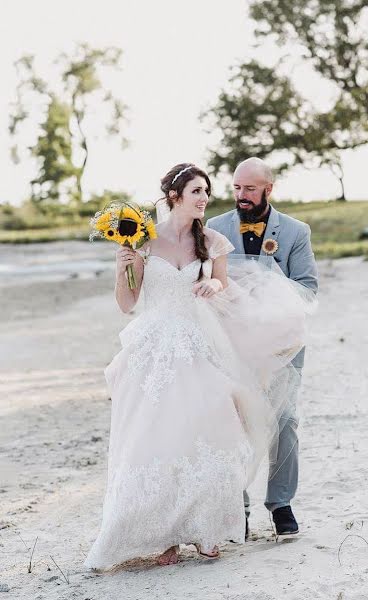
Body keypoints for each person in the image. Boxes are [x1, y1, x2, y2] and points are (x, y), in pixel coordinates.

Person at [84, 163, 314, 570]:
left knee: (214, 433)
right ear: (175, 196)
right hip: (153, 350)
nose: (205, 199)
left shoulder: (212, 239)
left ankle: (208, 529)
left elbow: (225, 286)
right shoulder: (143, 241)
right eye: (197, 192)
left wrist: (214, 284)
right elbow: (127, 305)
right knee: (156, 440)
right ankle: (164, 536)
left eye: (207, 192)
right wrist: (123, 268)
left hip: (199, 345)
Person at [207, 157, 318, 538]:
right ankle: (237, 507)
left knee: (285, 421)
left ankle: (281, 503)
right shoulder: (213, 228)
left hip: (283, 344)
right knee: (234, 421)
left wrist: (267, 288)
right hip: (232, 346)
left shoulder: (296, 231)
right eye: (237, 188)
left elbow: (308, 287)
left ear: (269, 189)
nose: (241, 195)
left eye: (250, 189)